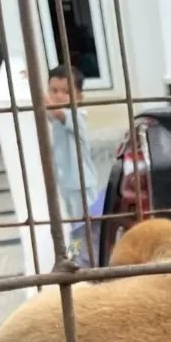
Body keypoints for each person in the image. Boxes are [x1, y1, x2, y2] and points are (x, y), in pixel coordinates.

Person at [46, 65, 98, 224]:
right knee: (75, 222)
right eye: (53, 91)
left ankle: (79, 249)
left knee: (85, 224)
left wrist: (32, 84)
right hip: (67, 183)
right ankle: (78, 248)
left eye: (66, 92)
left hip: (81, 183)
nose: (58, 96)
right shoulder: (56, 117)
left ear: (79, 97)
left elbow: (56, 112)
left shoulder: (77, 116)